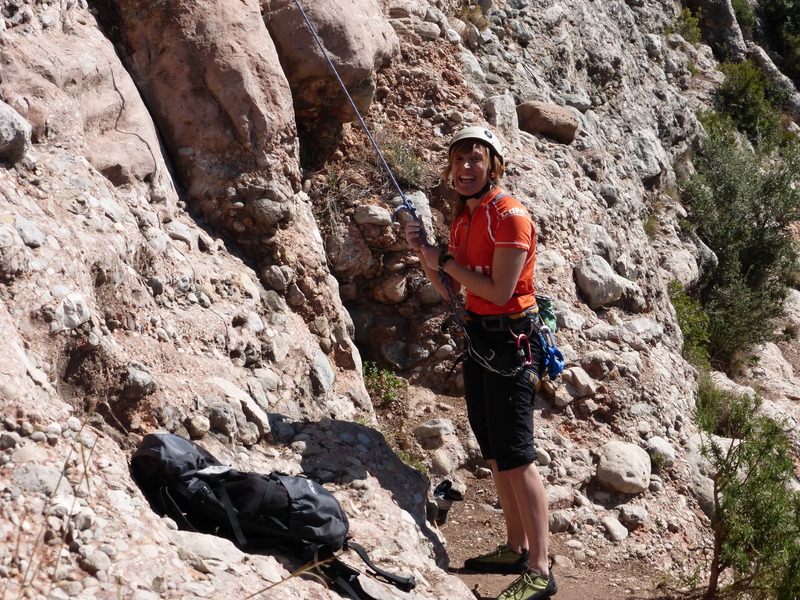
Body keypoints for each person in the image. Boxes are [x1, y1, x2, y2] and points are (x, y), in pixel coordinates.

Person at [402, 126, 556, 600]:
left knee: (518, 455)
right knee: (494, 449)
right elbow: (452, 291)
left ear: (493, 166)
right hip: (481, 338)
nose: (465, 168)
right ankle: (515, 547)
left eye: (475, 159)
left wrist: (444, 259)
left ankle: (541, 570)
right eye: (459, 160)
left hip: (512, 340)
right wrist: (424, 253)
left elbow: (500, 291)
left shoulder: (509, 216)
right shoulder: (465, 217)